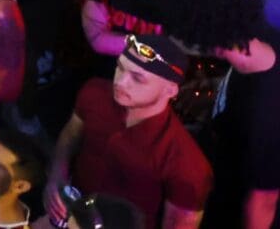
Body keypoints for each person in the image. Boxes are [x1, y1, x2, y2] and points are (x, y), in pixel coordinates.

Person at [48, 37, 211, 229]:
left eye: (137, 78)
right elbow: (70, 136)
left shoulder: (187, 165)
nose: (121, 82)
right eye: (120, 67)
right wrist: (56, 175)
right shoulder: (94, 92)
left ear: (170, 90)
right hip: (68, 217)